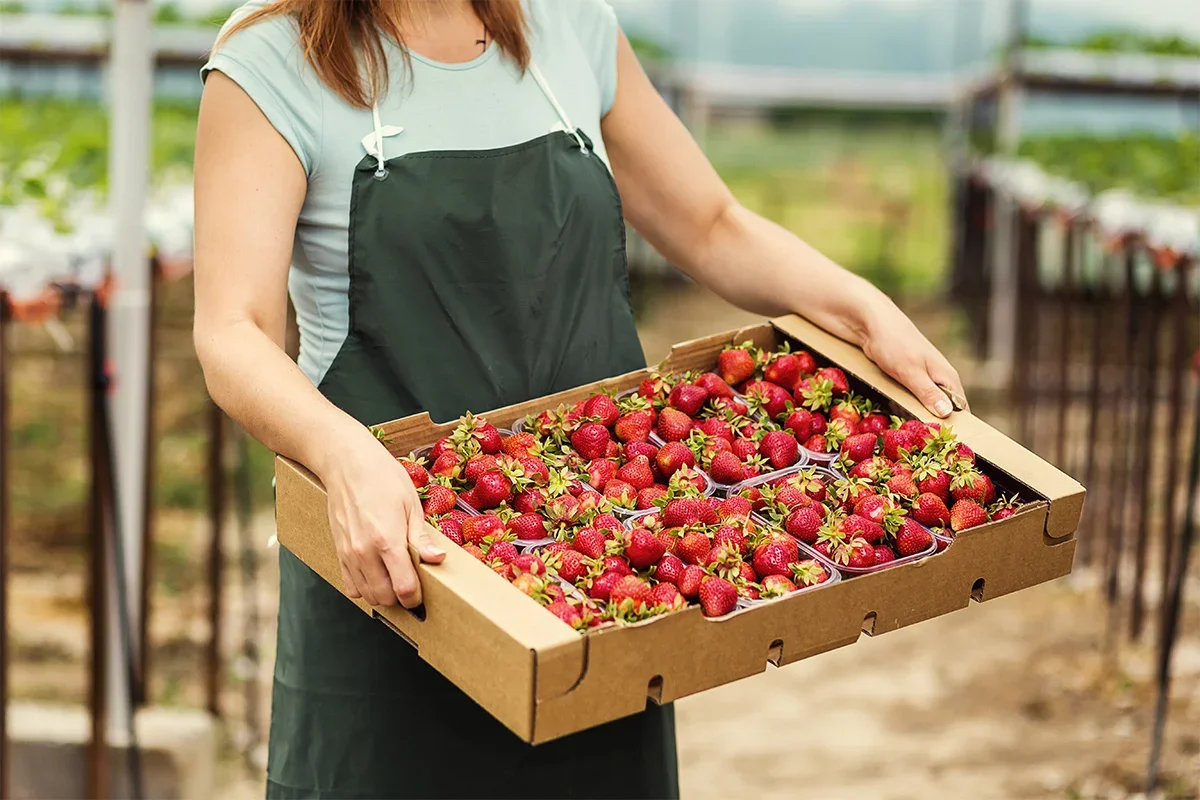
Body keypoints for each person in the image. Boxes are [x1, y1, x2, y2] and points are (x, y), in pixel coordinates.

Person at [193, 0, 968, 796]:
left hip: (591, 574)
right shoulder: (274, 57)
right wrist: (342, 451)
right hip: (396, 566)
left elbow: (709, 224)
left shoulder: (567, 25)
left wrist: (862, 307)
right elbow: (231, 330)